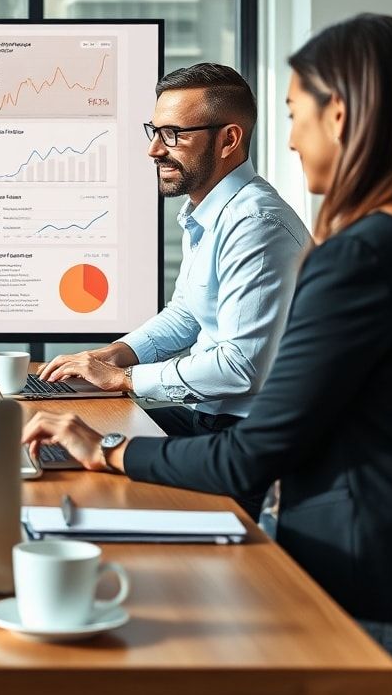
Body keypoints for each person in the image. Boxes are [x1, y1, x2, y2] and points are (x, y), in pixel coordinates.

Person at [23, 13, 392, 654]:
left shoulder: (349, 253)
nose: (294, 139)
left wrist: (108, 444)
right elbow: (192, 313)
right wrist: (116, 354)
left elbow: (251, 438)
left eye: (294, 113)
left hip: (359, 569)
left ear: (339, 116)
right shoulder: (231, 220)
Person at [38, 64, 308, 442]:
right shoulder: (210, 212)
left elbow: (240, 367)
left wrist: (125, 379)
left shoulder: (255, 224)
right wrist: (116, 354)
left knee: (94, 455)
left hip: (247, 434)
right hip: (208, 416)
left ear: (228, 140)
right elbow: (187, 314)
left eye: (173, 134)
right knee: (70, 433)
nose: (154, 149)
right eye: (155, 131)